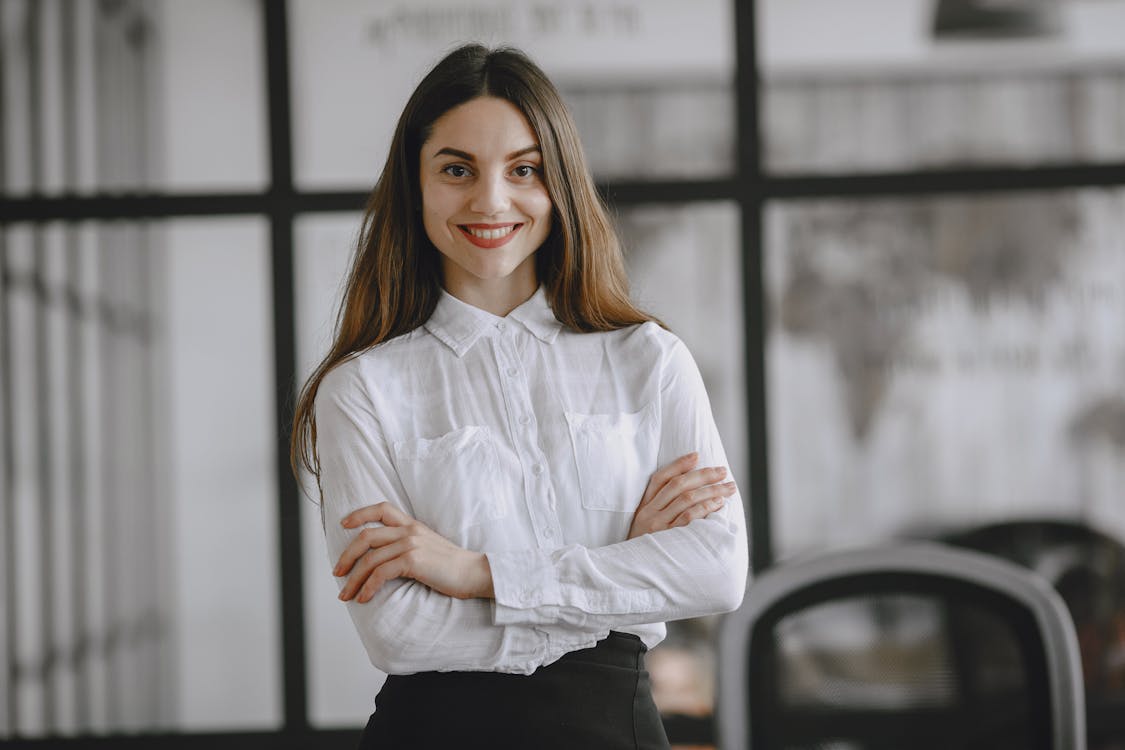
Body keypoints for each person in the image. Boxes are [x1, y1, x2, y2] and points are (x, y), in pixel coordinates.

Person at [291, 43, 748, 749]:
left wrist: (473, 573)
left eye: (524, 170)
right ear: (414, 185)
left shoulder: (647, 360)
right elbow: (399, 635)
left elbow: (715, 573)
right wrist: (624, 576)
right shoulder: (361, 389)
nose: (490, 201)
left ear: (558, 183)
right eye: (455, 170)